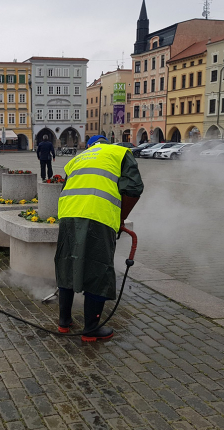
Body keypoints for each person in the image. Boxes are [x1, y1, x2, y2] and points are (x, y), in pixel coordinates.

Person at [55, 136, 144, 342]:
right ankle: (91, 329)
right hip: (98, 216)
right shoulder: (120, 152)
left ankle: (64, 322)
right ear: (107, 143)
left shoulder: (79, 158)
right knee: (98, 268)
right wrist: (120, 219)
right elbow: (133, 189)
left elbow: (65, 189)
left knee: (67, 264)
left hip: (68, 215)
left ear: (90, 147)